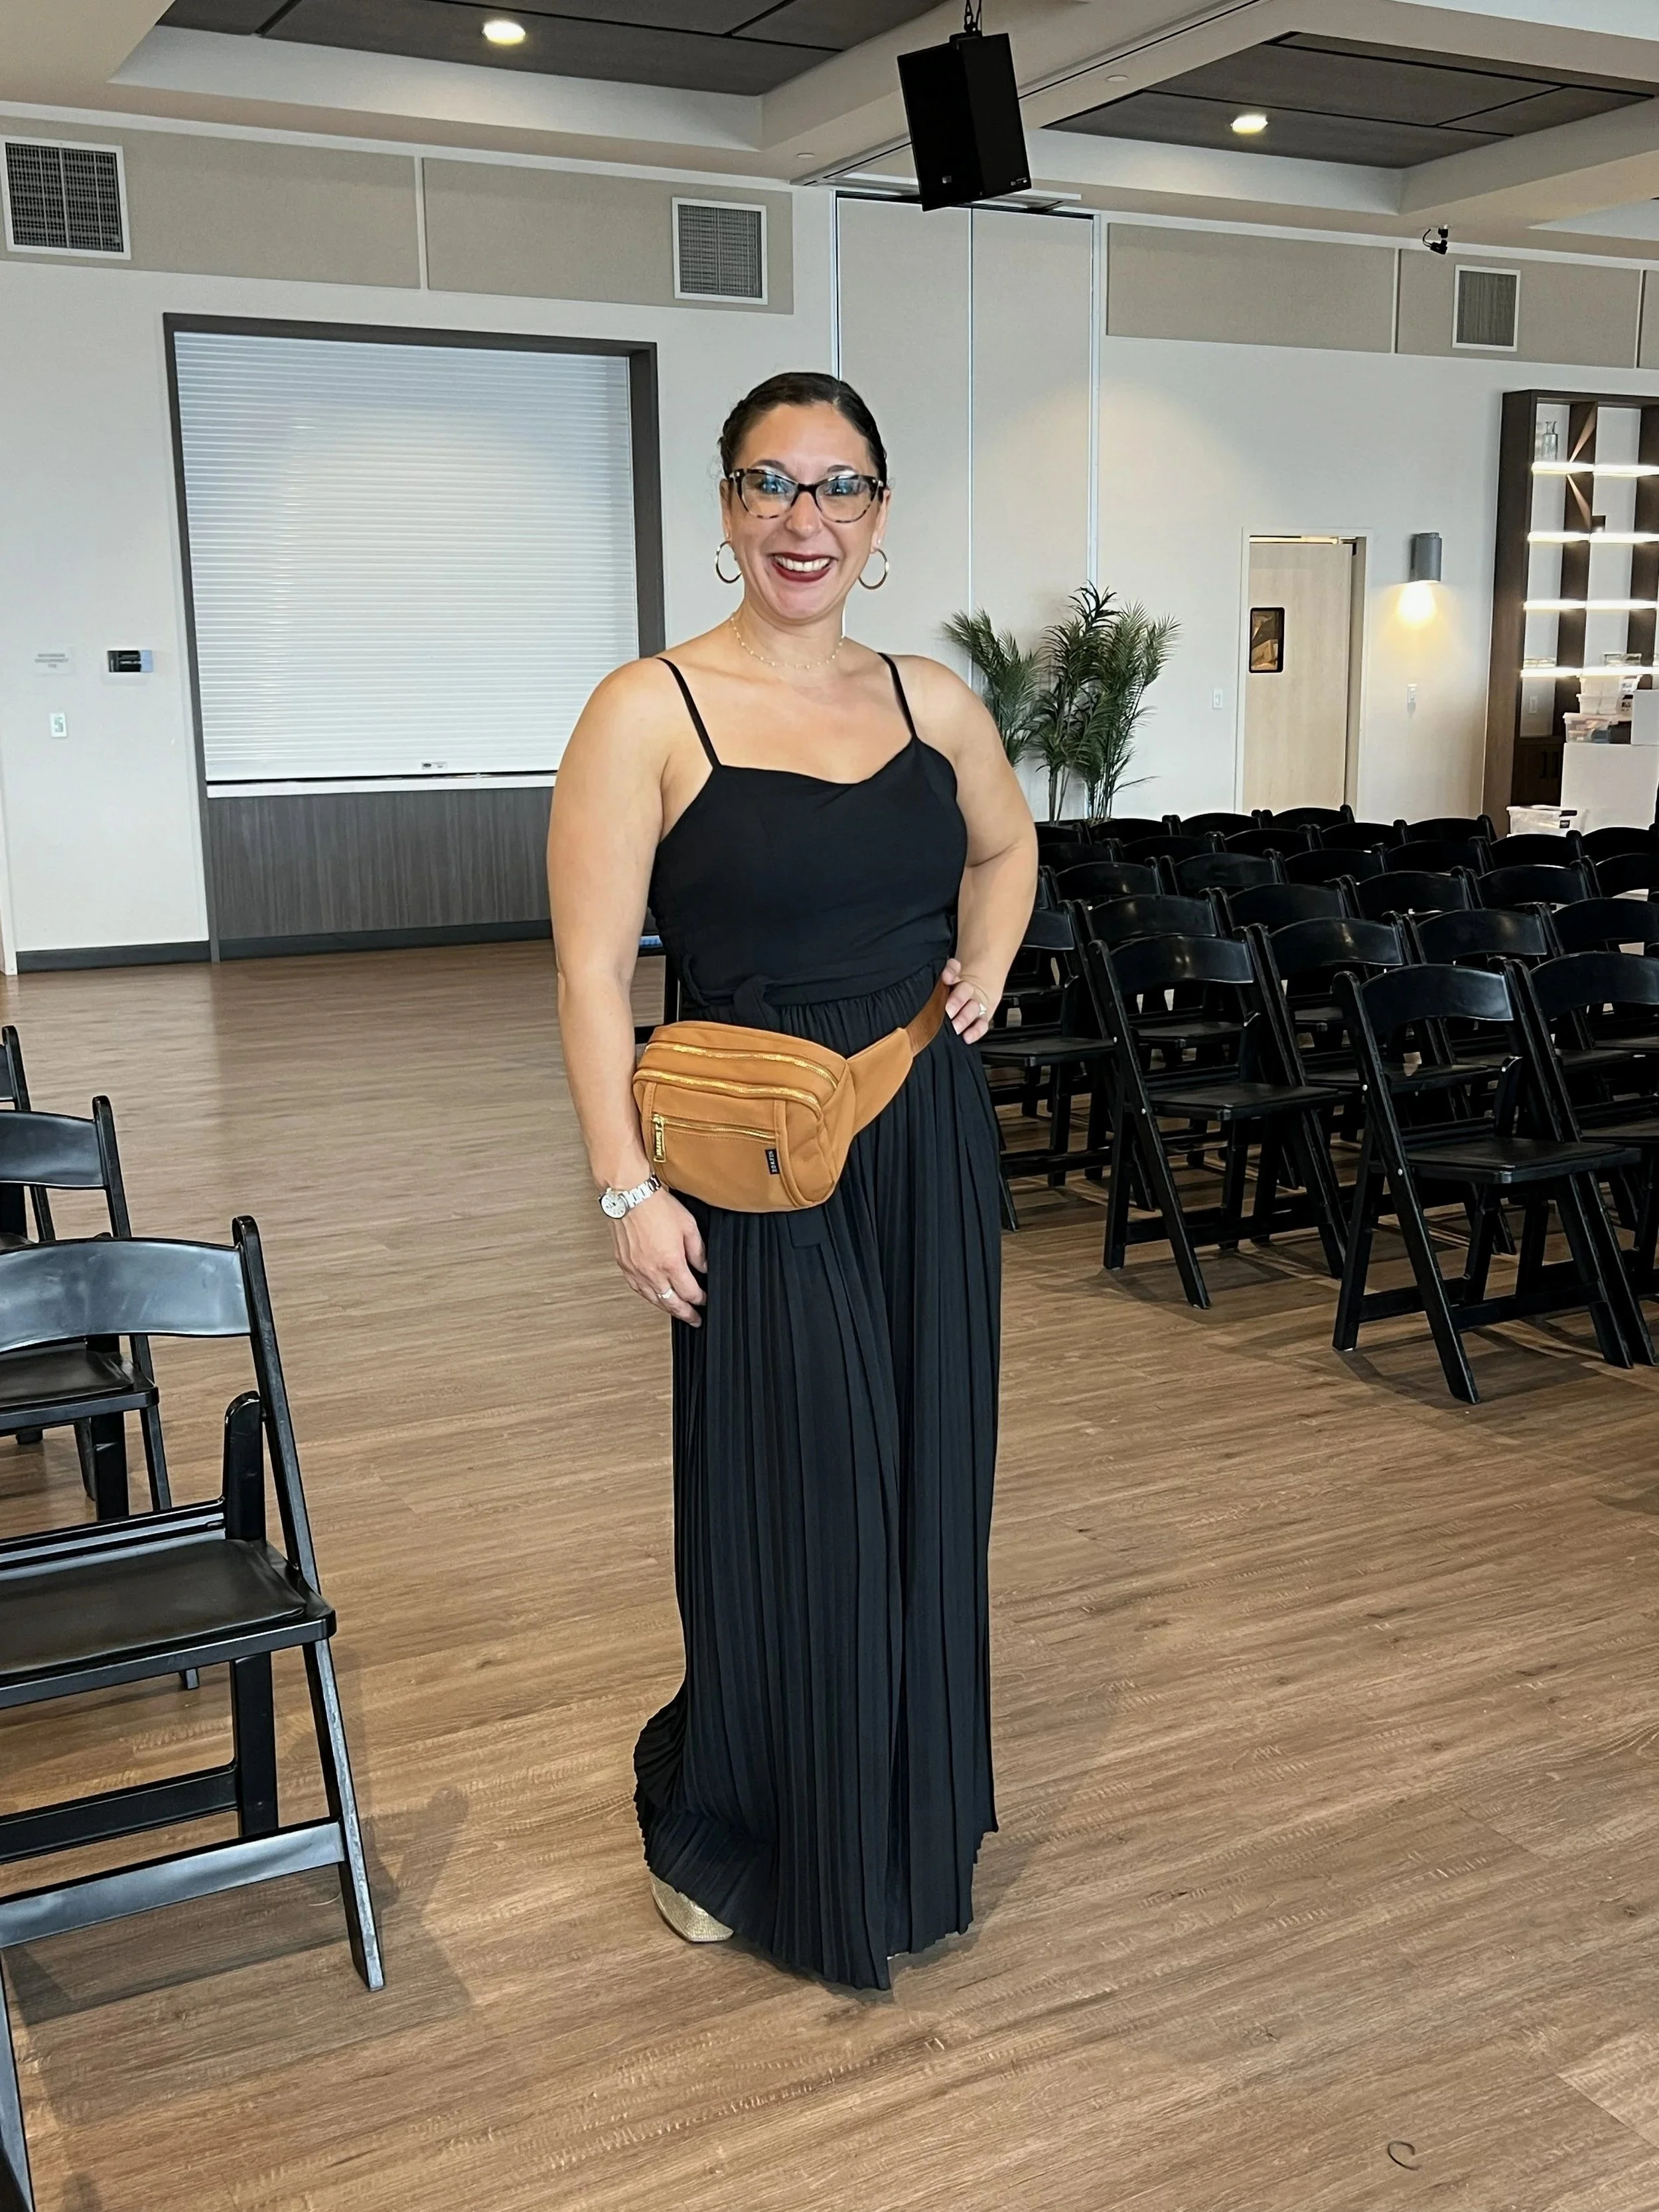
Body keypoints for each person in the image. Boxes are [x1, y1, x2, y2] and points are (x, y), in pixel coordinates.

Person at [547, 369, 1037, 1990]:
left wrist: (986, 965)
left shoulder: (933, 703)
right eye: (770, 485)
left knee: (925, 1493)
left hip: (918, 1133)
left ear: (879, 517)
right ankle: (743, 1823)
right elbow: (585, 973)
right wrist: (627, 1191)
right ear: (725, 510)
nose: (801, 520)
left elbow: (1009, 845)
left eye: (834, 489)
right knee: (789, 1501)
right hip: (747, 1162)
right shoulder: (647, 710)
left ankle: (900, 1822)